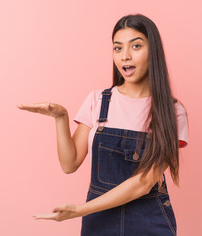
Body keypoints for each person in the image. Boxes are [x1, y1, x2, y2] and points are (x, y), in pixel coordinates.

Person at [17, 13, 188, 236]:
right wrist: (61, 118)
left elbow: (143, 183)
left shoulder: (172, 112)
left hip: (149, 221)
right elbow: (69, 165)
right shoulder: (98, 101)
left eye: (136, 46)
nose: (125, 56)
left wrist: (81, 210)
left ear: (152, 51)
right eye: (118, 48)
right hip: (100, 222)